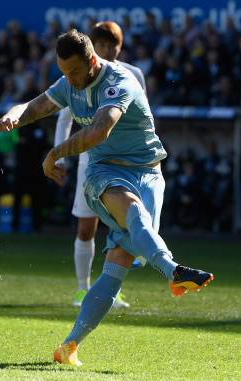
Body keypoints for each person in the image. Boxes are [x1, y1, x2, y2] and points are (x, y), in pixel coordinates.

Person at [0, 29, 214, 366]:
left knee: (117, 266)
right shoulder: (70, 83)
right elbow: (37, 106)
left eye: (74, 72)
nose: (68, 80)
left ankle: (68, 347)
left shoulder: (119, 81)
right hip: (103, 172)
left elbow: (99, 130)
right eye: (63, 72)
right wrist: (15, 113)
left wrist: (54, 153)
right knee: (133, 210)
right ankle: (173, 271)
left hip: (149, 174)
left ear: (93, 61)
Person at [53, 21, 146, 308]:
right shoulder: (79, 75)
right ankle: (83, 289)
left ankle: (111, 290)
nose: (106, 49)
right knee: (86, 227)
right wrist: (60, 154)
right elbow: (64, 117)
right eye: (101, 44)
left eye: (111, 44)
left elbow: (143, 117)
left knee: (125, 226)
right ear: (93, 48)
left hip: (125, 162)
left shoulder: (132, 74)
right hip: (90, 162)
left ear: (120, 45)